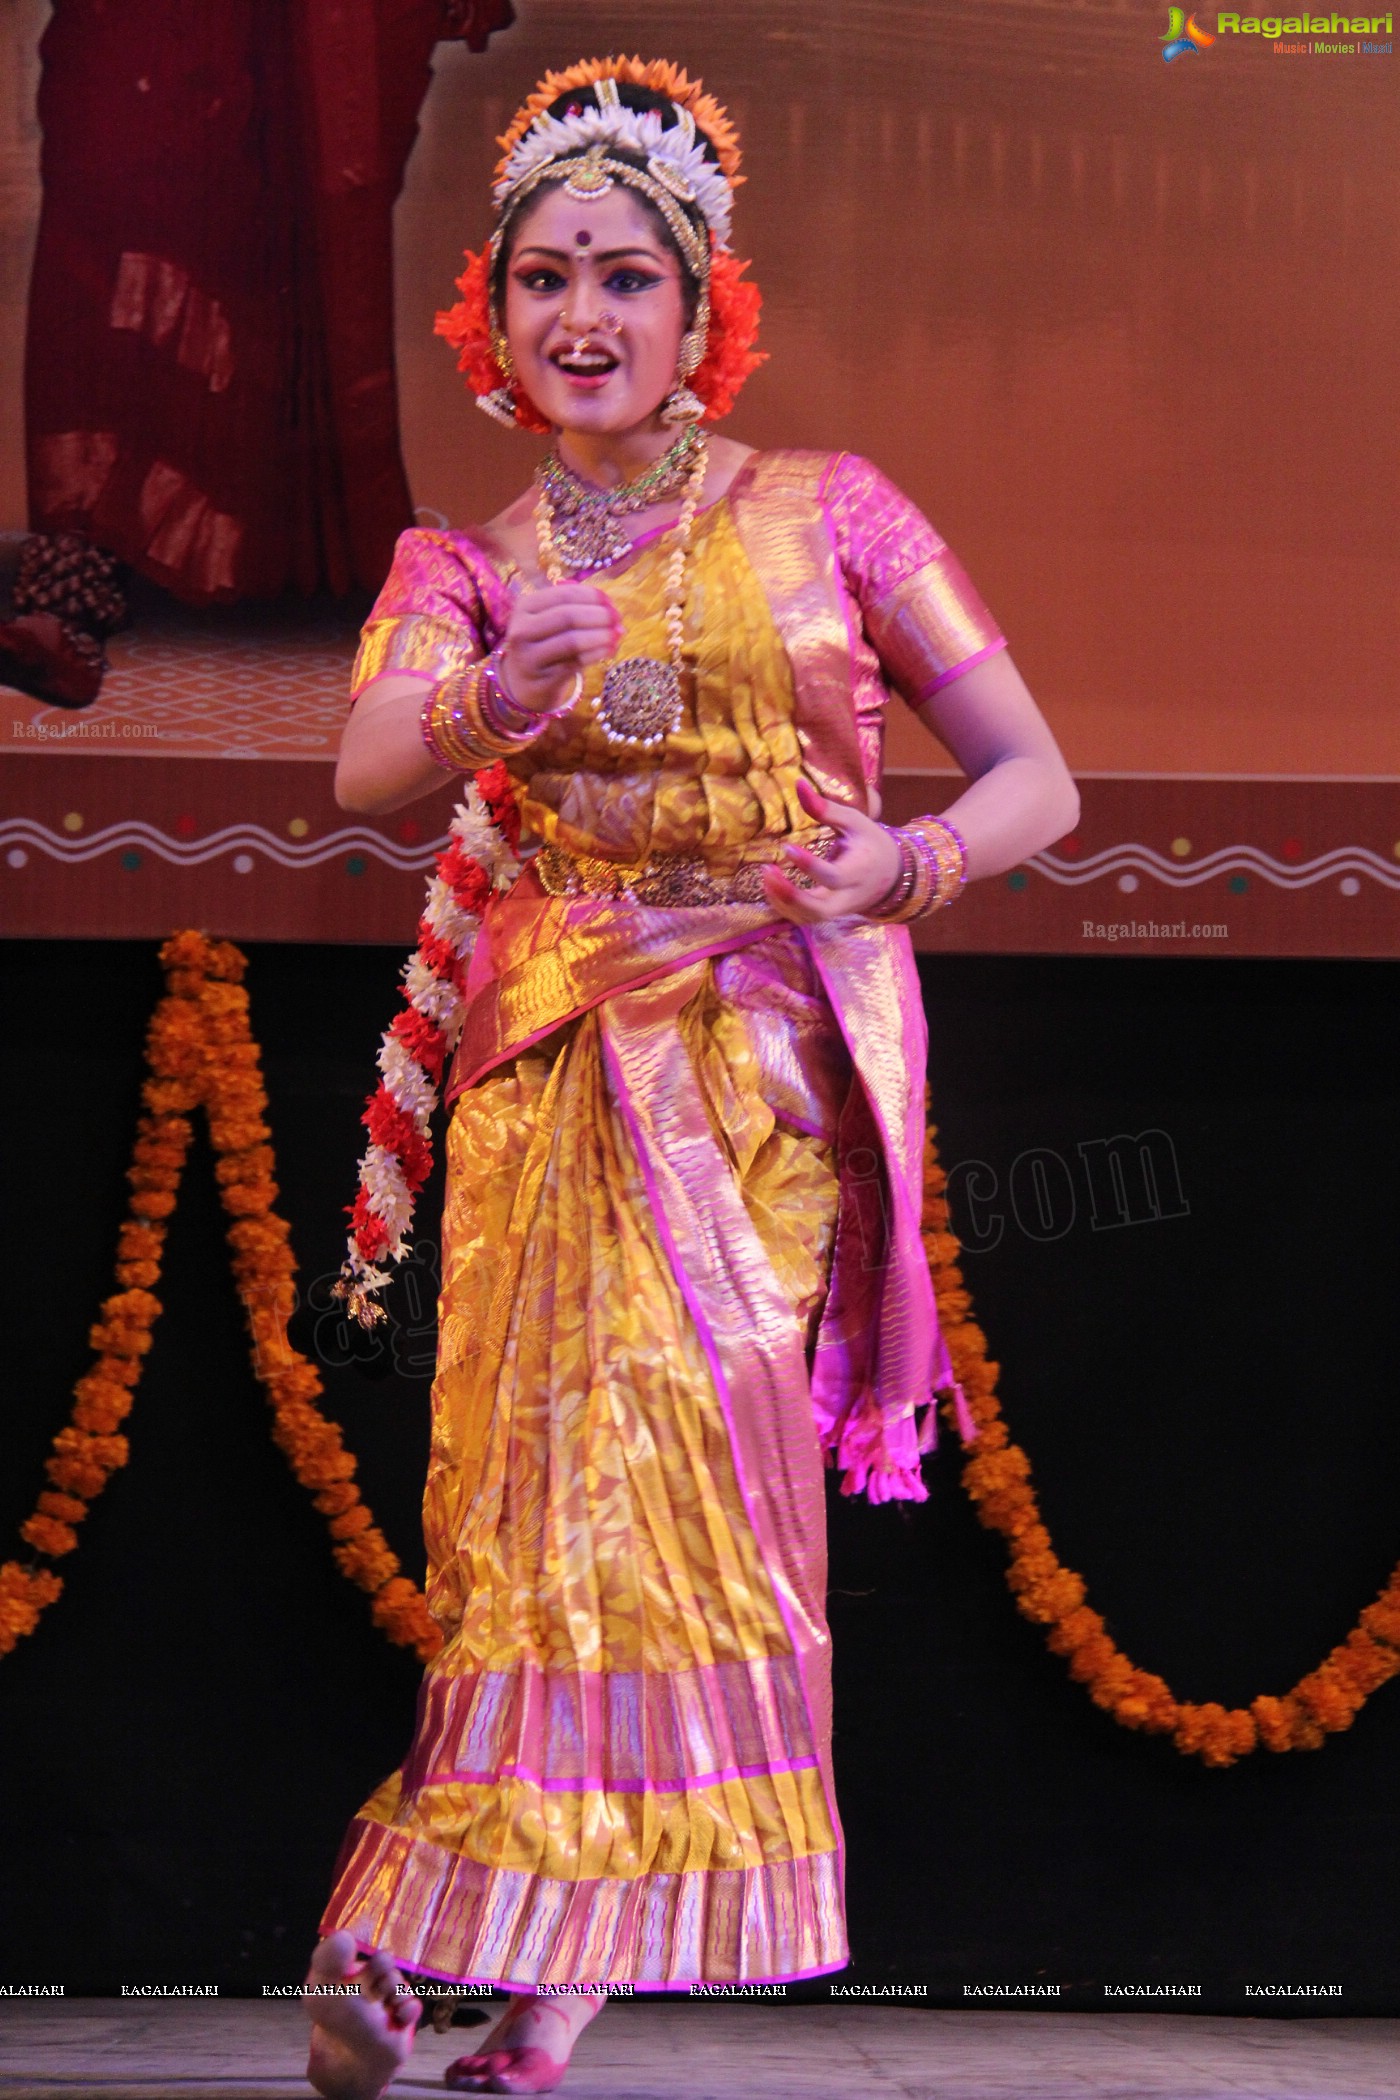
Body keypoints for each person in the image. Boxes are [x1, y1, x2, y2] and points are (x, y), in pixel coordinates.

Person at [301, 56, 1079, 2100]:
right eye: (546, 276)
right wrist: (489, 692)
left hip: (753, 1090)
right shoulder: (459, 565)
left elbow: (1035, 778)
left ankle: (543, 1974)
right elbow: (368, 763)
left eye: (626, 279)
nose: (583, 316)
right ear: (492, 313)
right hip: (548, 1080)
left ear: (698, 310)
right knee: (525, 1513)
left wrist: (899, 862)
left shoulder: (837, 512)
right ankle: (474, 1935)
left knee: (690, 1506)